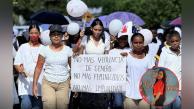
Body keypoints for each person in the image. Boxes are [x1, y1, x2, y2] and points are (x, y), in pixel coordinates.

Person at [32, 24, 73, 109]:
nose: (56, 37)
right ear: (50, 36)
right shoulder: (44, 50)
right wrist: (34, 84)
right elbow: (38, 67)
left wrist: (74, 81)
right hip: (48, 83)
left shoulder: (68, 50)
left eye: (58, 35)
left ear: (62, 36)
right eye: (53, 35)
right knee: (49, 105)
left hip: (64, 83)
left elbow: (73, 67)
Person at [74, 18, 111, 109]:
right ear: (91, 29)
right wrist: (80, 38)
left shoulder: (105, 40)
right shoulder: (85, 39)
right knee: (86, 102)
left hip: (100, 76)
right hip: (87, 76)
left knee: (100, 102)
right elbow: (76, 52)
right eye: (95, 29)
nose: (97, 32)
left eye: (100, 30)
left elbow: (108, 57)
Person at [14, 24, 43, 109]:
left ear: (39, 34)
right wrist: (20, 69)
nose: (33, 35)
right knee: (26, 105)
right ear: (28, 34)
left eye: (36, 33)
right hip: (25, 85)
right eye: (31, 33)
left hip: (39, 85)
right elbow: (16, 63)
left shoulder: (44, 48)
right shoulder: (23, 47)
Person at [124, 33, 155, 109]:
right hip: (129, 95)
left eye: (140, 42)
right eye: (135, 42)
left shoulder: (149, 58)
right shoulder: (125, 56)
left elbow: (152, 76)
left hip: (144, 96)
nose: (138, 45)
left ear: (143, 43)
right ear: (131, 43)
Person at [158, 31, 181, 109]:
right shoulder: (165, 52)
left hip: (180, 88)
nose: (175, 43)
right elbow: (160, 69)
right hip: (167, 88)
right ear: (169, 42)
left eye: (177, 41)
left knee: (177, 105)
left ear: (180, 40)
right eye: (172, 41)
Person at [109, 34, 130, 109]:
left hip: (128, 82)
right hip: (116, 81)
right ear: (117, 39)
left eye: (125, 39)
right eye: (121, 39)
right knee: (118, 103)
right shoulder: (112, 52)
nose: (123, 41)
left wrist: (128, 57)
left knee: (126, 104)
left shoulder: (131, 51)